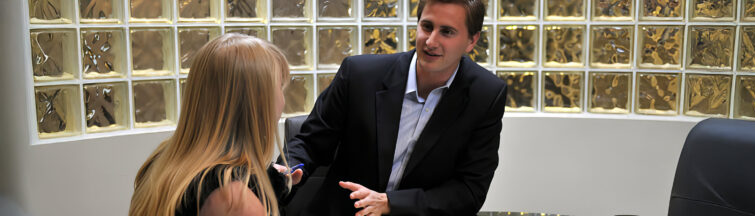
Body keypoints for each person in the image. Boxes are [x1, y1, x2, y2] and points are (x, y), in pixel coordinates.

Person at [284, 0, 506, 215]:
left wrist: (390, 203)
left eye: (447, 32)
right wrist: (288, 169)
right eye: (426, 27)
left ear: (471, 40)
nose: (430, 41)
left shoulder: (485, 95)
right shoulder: (360, 75)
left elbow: (469, 190)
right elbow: (310, 142)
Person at [129, 34, 302, 216]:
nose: (283, 100)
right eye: (280, 87)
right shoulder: (235, 200)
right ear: (257, 104)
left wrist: (267, 184)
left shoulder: (164, 162)